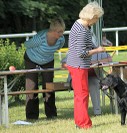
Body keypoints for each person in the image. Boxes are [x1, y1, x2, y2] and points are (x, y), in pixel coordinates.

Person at [65, 1, 105, 129]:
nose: (97, 20)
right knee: (82, 95)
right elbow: (82, 53)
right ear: (91, 17)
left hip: (75, 64)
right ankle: (84, 124)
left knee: (79, 95)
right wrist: (97, 50)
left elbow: (86, 44)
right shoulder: (82, 30)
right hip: (78, 65)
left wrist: (96, 46)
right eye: (96, 18)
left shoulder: (80, 24)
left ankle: (79, 122)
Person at [24, 17, 65, 120]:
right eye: (59, 32)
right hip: (31, 59)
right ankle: (32, 116)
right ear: (52, 30)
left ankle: (51, 114)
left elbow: (59, 47)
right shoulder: (40, 38)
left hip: (47, 60)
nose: (61, 34)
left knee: (49, 87)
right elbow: (26, 45)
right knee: (32, 87)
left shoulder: (61, 39)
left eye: (62, 31)